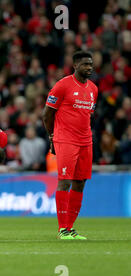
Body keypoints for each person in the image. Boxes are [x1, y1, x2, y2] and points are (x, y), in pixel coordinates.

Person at [42, 50, 98, 240]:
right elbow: (47, 114)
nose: (89, 67)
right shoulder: (62, 85)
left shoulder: (93, 89)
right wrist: (52, 137)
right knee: (64, 181)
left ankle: (71, 228)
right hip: (65, 139)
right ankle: (62, 229)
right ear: (75, 66)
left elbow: (88, 116)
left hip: (86, 141)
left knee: (80, 182)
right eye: (85, 64)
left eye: (90, 64)